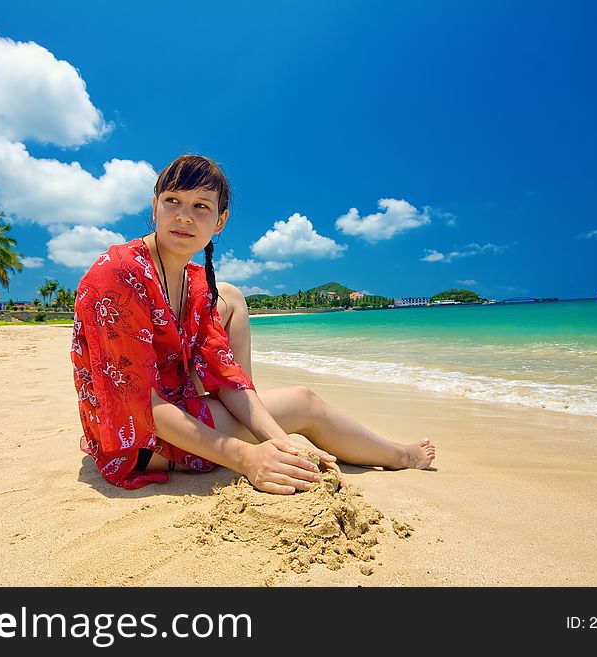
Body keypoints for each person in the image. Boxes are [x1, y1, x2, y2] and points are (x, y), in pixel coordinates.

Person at [71, 154, 435, 493]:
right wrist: (246, 459)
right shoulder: (118, 274)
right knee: (304, 404)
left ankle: (381, 453)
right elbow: (142, 405)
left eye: (200, 206)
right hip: (133, 435)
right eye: (173, 201)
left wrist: (279, 442)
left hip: (172, 406)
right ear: (155, 207)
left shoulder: (197, 282)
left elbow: (227, 377)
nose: (184, 216)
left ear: (220, 221)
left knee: (232, 299)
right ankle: (398, 456)